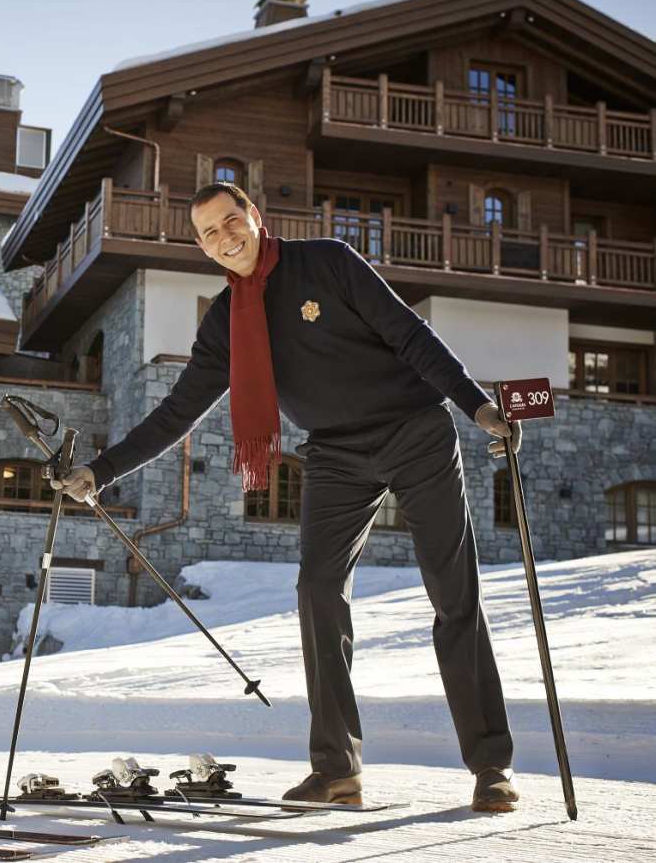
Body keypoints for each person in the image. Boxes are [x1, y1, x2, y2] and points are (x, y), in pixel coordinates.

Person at [51, 182, 521, 812]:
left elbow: (409, 335)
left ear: (254, 216)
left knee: (453, 590)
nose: (225, 238)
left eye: (230, 220)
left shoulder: (326, 261)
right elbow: (178, 411)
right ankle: (337, 769)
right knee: (318, 592)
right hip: (334, 453)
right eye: (209, 233)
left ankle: (491, 766)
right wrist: (101, 470)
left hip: (415, 430)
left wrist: (479, 406)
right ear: (202, 247)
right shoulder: (224, 322)